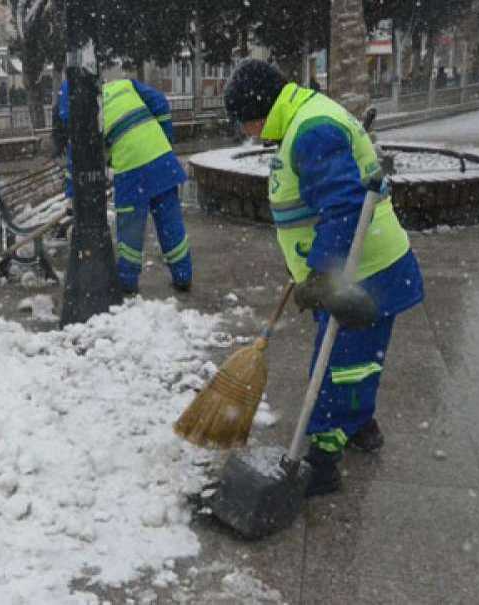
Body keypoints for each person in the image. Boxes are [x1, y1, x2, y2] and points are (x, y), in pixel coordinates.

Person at [223, 60, 425, 497]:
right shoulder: (303, 116)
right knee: (357, 356)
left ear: (259, 111)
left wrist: (322, 273)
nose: (249, 134)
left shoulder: (312, 129)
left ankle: (324, 459)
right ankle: (361, 425)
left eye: (246, 124)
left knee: (337, 367)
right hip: (359, 268)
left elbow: (344, 207)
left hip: (359, 272)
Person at [54, 78, 192, 294]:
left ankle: (127, 283)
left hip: (132, 169)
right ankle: (183, 276)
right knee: (170, 221)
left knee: (130, 227)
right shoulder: (124, 84)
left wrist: (72, 194)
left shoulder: (85, 112)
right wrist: (165, 137)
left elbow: (76, 159)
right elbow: (160, 101)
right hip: (163, 160)